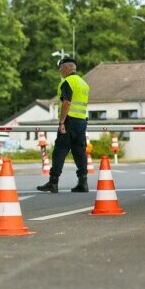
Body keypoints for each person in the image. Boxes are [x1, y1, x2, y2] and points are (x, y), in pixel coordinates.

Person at [37, 57, 90, 193]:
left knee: (60, 151)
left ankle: (53, 182)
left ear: (66, 68)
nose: (60, 71)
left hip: (69, 122)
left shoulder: (67, 82)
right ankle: (83, 183)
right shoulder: (84, 83)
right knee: (80, 152)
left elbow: (66, 103)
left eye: (60, 68)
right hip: (81, 122)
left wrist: (61, 122)